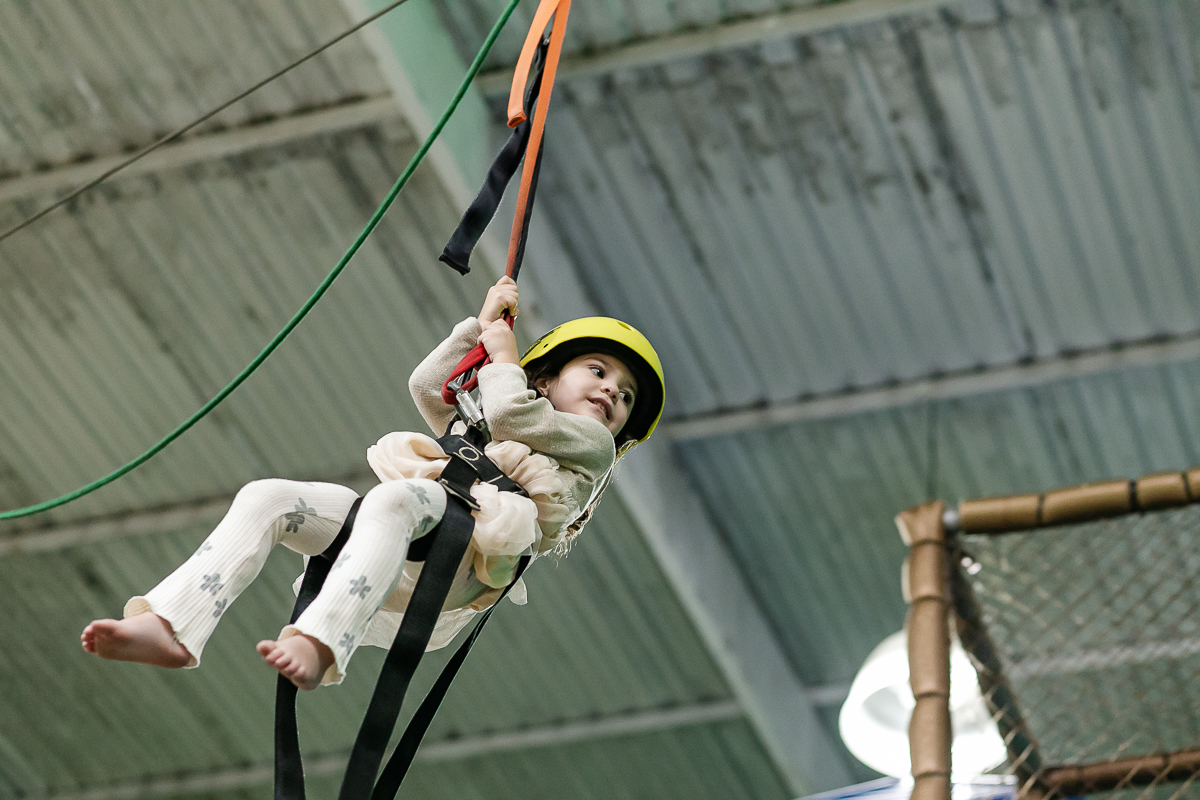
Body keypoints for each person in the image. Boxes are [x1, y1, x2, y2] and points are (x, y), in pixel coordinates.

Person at [81, 276, 664, 690]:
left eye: (626, 395)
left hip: (464, 559)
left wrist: (504, 357)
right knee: (269, 497)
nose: (612, 391)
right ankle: (171, 626)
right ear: (549, 374)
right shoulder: (494, 405)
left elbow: (516, 416)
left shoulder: (590, 446)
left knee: (390, 502)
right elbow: (430, 387)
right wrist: (480, 329)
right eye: (598, 370)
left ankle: (321, 643)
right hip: (414, 530)